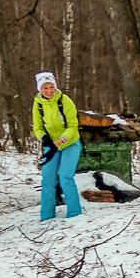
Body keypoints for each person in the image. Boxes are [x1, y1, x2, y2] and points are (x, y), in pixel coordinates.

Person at [32, 71, 83, 221]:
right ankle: (46, 216)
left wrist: (61, 140)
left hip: (70, 143)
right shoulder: (38, 104)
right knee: (47, 179)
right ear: (40, 89)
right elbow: (37, 127)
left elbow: (73, 125)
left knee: (65, 177)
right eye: (45, 88)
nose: (49, 91)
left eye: (51, 87)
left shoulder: (64, 101)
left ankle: (74, 213)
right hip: (52, 145)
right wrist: (44, 138)